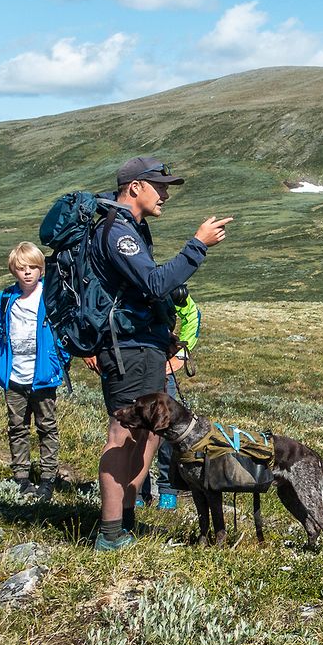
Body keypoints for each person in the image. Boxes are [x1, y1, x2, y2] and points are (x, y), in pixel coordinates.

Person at [92, 156, 231, 552]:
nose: (166, 194)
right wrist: (197, 246)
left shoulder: (133, 228)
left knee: (143, 434)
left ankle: (125, 521)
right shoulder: (118, 232)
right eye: (160, 186)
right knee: (123, 434)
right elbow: (154, 283)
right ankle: (110, 532)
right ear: (135, 187)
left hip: (144, 345)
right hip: (128, 348)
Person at [0, 242, 67, 501]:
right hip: (14, 376)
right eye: (22, 268)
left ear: (42, 269)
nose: (28, 273)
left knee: (47, 427)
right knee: (17, 427)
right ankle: (21, 477)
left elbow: (63, 333)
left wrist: (59, 363)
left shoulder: (49, 297)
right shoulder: (6, 298)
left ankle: (47, 478)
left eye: (34, 267)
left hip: (43, 376)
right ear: (14, 271)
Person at [148, 286, 203, 511]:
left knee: (167, 430)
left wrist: (181, 355)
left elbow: (192, 315)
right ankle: (137, 490)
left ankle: (168, 488)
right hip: (135, 365)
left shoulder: (166, 285)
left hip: (163, 364)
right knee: (137, 427)